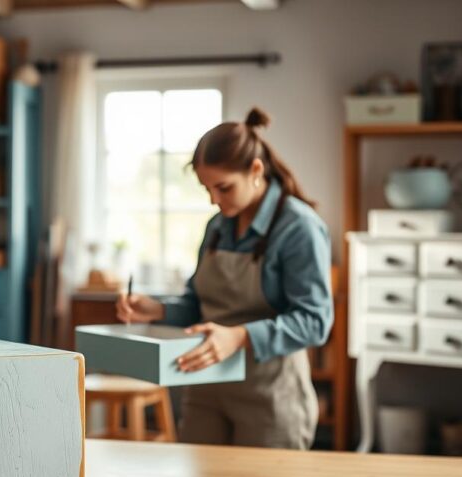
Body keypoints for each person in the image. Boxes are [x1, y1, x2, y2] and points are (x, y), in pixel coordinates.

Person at [116, 107, 333, 449]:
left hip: (270, 397)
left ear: (255, 171)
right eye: (206, 190)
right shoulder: (217, 227)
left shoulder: (298, 228)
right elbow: (197, 306)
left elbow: (315, 322)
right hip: (206, 391)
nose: (214, 201)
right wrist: (156, 310)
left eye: (223, 188)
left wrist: (239, 336)